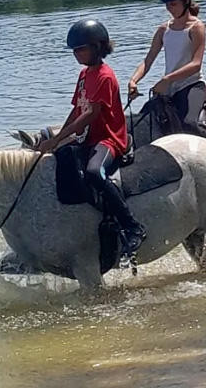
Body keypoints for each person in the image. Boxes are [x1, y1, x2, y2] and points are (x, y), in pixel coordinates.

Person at [39, 19, 146, 257]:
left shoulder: (105, 76)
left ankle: (132, 227)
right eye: (75, 50)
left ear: (98, 47)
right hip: (88, 139)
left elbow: (90, 115)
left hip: (108, 139)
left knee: (94, 173)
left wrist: (57, 140)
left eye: (82, 48)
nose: (77, 54)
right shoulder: (84, 75)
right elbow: (76, 110)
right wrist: (56, 139)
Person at [128, 0, 206, 130]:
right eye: (167, 5)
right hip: (169, 88)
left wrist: (167, 79)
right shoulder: (163, 29)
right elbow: (148, 60)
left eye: (173, 4)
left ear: (186, 1)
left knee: (191, 123)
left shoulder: (196, 27)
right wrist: (133, 81)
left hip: (192, 84)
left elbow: (196, 64)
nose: (170, 8)